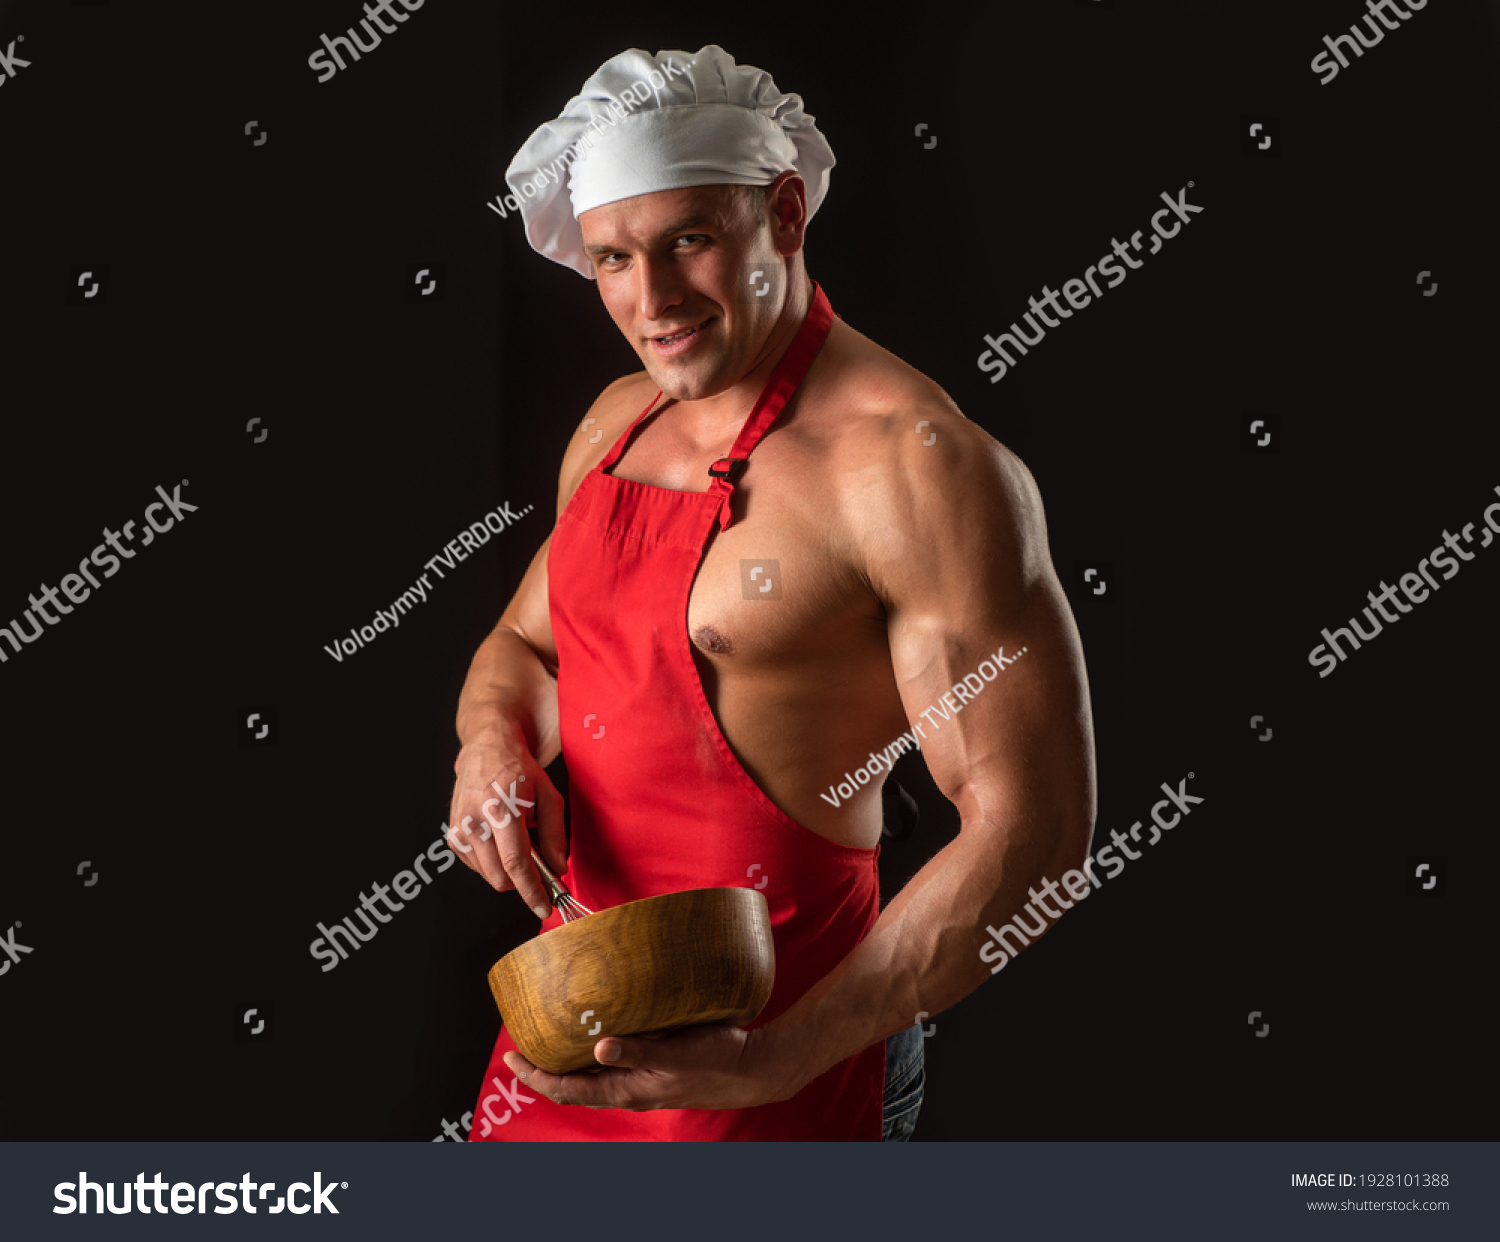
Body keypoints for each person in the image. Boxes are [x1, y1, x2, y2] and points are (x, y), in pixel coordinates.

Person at [450, 44, 1096, 1141]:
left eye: (688, 243)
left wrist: (774, 1062)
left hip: (792, 1051)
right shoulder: (618, 426)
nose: (651, 303)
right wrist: (491, 748)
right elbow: (527, 647)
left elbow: (1036, 834)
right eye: (611, 259)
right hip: (580, 1021)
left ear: (785, 213)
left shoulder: (913, 467)